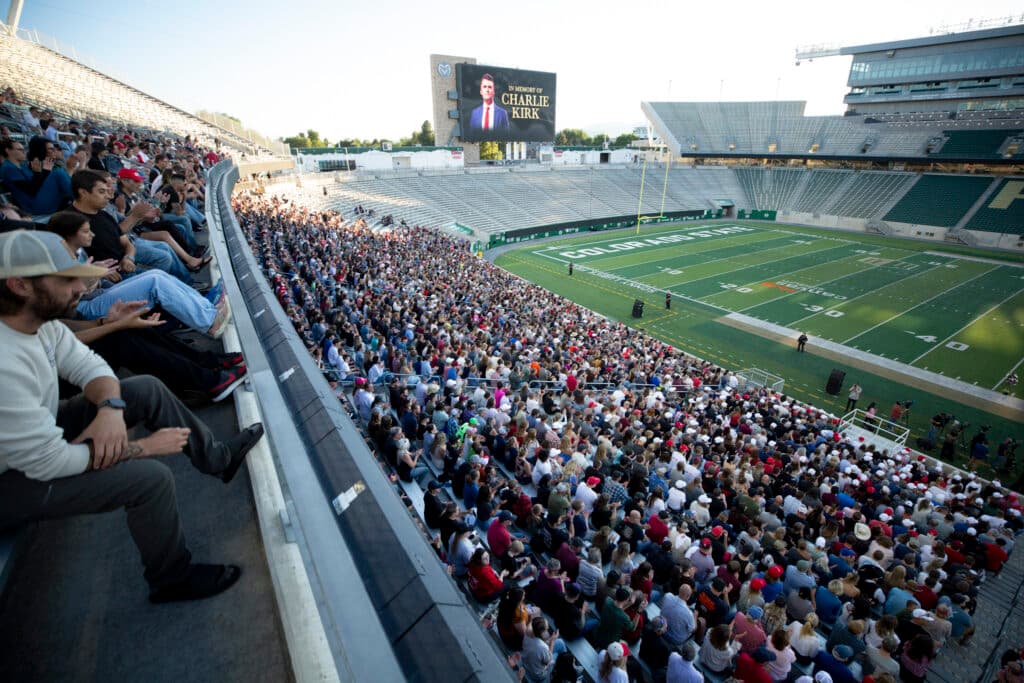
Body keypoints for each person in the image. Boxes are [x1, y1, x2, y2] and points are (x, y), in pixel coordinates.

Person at [0, 229, 265, 603]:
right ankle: (170, 578)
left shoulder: (40, 324)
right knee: (150, 479)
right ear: (19, 285)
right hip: (13, 479)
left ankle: (219, 458)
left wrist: (110, 407)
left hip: (38, 438)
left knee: (144, 388)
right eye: (67, 279)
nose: (80, 288)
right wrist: (144, 447)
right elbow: (50, 463)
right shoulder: (4, 362)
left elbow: (90, 367)